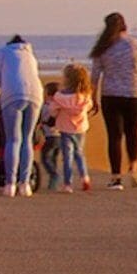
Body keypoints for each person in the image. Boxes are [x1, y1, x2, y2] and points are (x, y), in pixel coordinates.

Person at [86, 11, 137, 189]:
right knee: (133, 132)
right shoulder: (136, 45)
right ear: (125, 25)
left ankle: (116, 177)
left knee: (114, 136)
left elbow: (95, 76)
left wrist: (93, 98)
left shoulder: (104, 47)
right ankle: (134, 166)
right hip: (134, 95)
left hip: (111, 95)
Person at [0, 34, 44, 199]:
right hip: (35, 95)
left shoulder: (3, 52)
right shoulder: (30, 55)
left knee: (14, 139)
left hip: (12, 96)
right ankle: (25, 184)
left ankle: (10, 184)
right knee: (27, 139)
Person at [44, 64, 95, 192]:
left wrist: (55, 115)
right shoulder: (85, 96)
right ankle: (85, 177)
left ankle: (68, 184)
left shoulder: (60, 96)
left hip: (65, 128)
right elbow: (89, 106)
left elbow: (52, 111)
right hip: (80, 127)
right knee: (79, 153)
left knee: (67, 156)